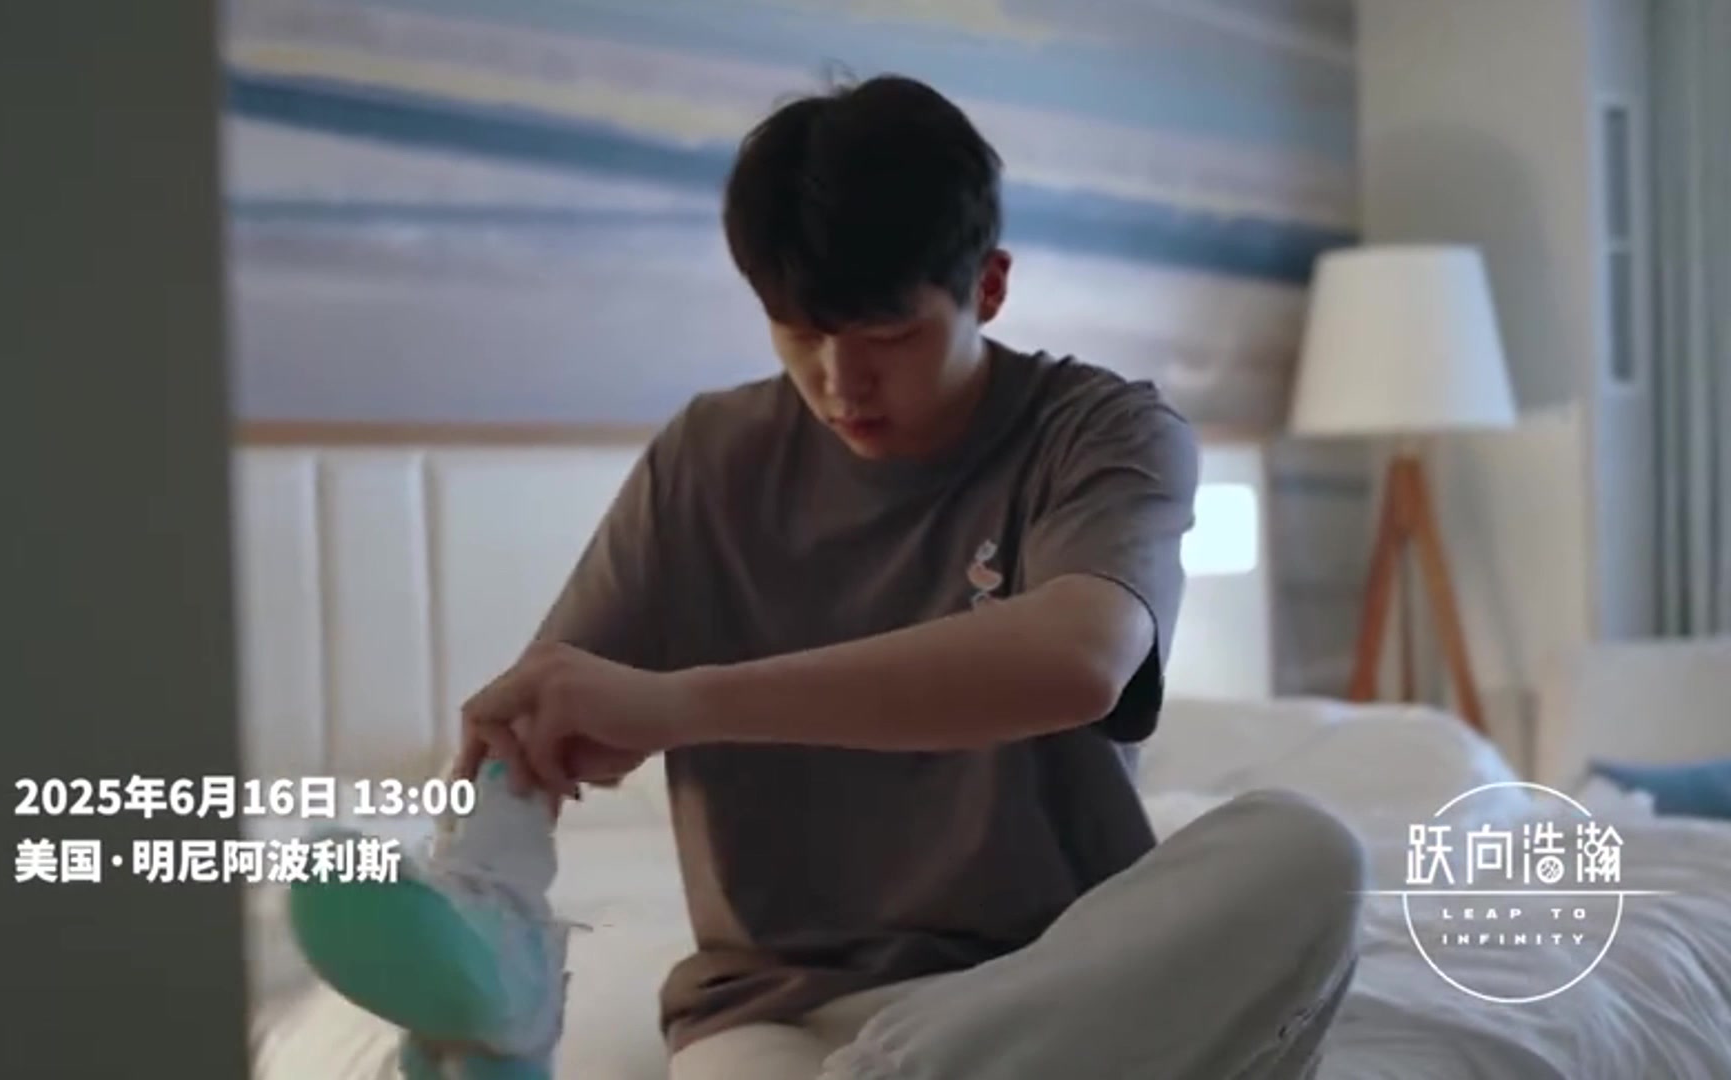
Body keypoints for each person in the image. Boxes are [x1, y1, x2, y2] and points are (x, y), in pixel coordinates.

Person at [292, 74, 1368, 1080]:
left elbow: (1081, 660)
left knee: (1303, 851)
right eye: (799, 334)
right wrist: (493, 855)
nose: (840, 381)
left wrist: (681, 704)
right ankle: (504, 942)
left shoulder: (1100, 433)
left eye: (888, 335)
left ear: (989, 287)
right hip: (777, 1012)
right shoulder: (707, 459)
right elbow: (549, 715)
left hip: (1054, 986)